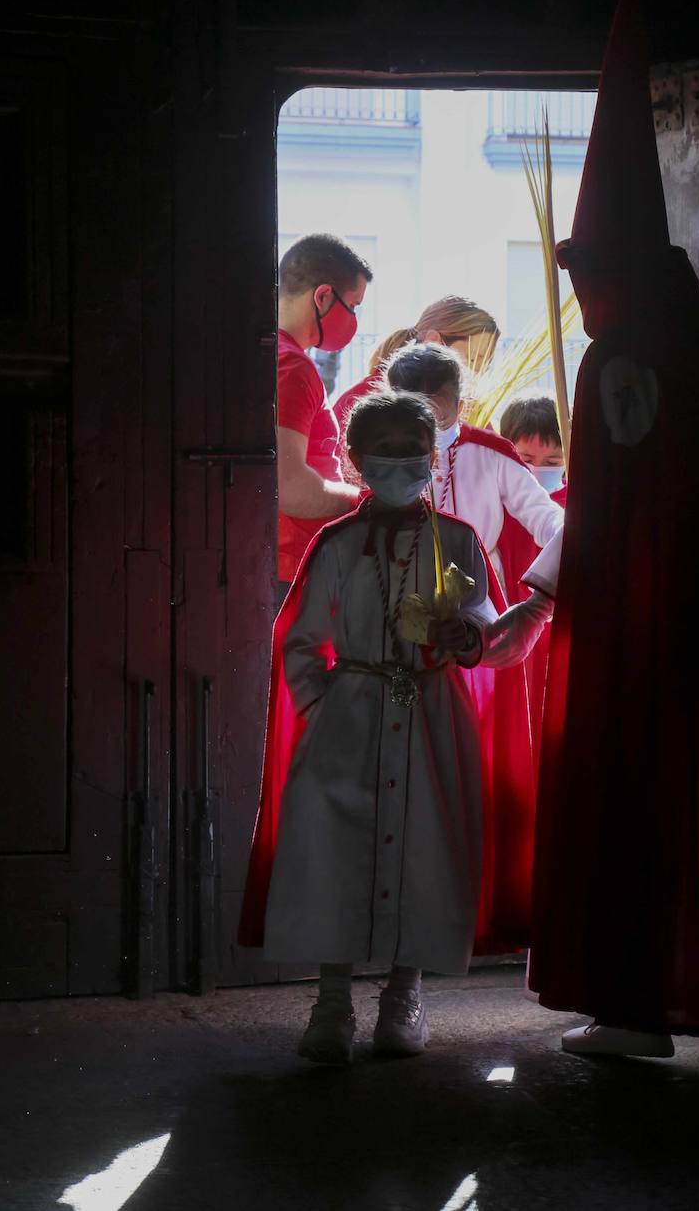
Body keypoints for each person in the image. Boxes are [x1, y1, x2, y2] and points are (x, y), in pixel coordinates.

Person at [525, 0, 699, 1055]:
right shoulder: (688, 351)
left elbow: (612, 509)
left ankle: (637, 1007)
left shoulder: (623, 361)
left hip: (642, 636)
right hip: (696, 622)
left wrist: (562, 598)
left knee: (636, 802)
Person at [238, 390, 536, 1065]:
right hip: (351, 714)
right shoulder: (336, 544)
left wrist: (471, 637)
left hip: (433, 717)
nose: (399, 462)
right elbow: (302, 641)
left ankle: (404, 999)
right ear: (353, 458)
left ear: (433, 456)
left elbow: (487, 623)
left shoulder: (457, 540)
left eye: (412, 449)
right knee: (334, 852)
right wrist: (326, 706)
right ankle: (333, 1003)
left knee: (426, 853)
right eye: (385, 449)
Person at [386, 344, 563, 596]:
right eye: (411, 416)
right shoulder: (383, 456)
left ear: (459, 408)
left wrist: (566, 530)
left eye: (437, 418)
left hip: (478, 586)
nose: (425, 430)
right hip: (406, 583)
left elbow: (541, 514)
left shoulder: (491, 451)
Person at [275, 234, 372, 606]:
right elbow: (290, 485)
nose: (354, 319)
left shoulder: (278, 357)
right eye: (353, 305)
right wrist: (367, 501)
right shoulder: (292, 367)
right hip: (291, 569)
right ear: (323, 296)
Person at [496, 395, 568, 739]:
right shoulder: (497, 506)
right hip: (505, 624)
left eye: (553, 461)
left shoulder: (575, 505)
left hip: (558, 640)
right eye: (525, 460)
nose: (539, 471)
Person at [332, 296, 500, 438]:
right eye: (472, 360)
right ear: (434, 341)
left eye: (485, 366)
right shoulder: (361, 401)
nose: (477, 373)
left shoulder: (470, 409)